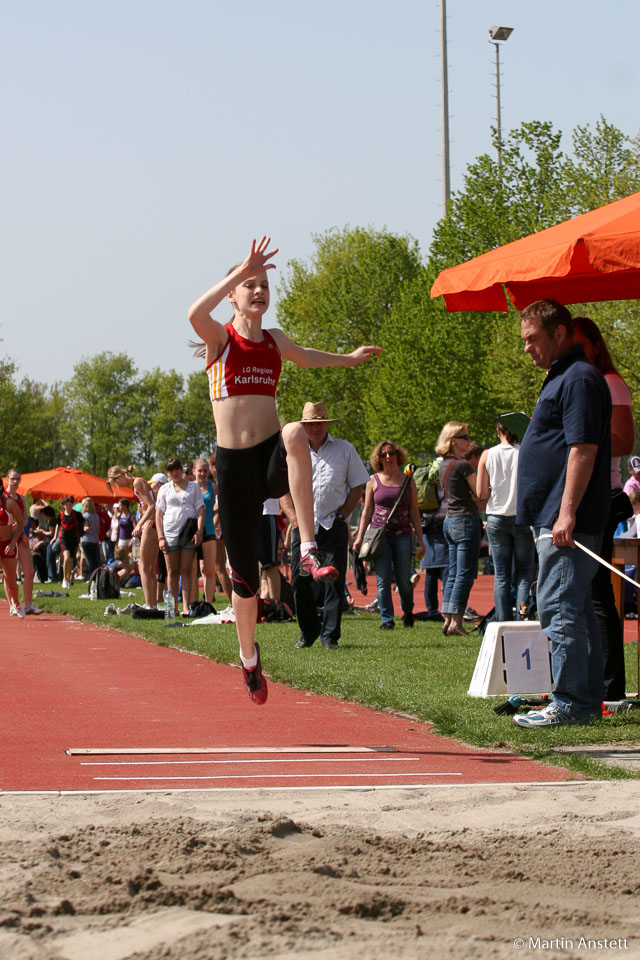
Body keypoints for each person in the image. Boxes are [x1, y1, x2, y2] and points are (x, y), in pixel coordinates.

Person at [188, 236, 381, 703]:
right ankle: (250, 659)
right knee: (246, 581)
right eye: (249, 285)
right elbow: (194, 313)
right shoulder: (220, 340)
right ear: (233, 293)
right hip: (234, 467)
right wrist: (237, 272)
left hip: (270, 454)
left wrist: (349, 359)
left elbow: (309, 357)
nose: (258, 291)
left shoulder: (274, 341)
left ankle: (309, 547)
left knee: (296, 431)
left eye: (264, 285)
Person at [513, 299, 611, 729]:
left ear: (559, 333)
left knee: (558, 605)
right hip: (554, 515)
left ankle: (570, 702)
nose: (527, 348)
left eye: (532, 339)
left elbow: (583, 449)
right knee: (576, 608)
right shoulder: (564, 376)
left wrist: (566, 512)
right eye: (524, 341)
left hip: (566, 518)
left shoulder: (580, 378)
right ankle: (584, 700)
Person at [573, 315, 635, 700]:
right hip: (583, 495)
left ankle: (610, 687)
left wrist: (579, 434)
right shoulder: (581, 382)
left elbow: (625, 440)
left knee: (597, 595)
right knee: (582, 595)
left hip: (602, 495)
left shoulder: (610, 383)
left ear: (596, 345)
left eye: (581, 345)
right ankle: (595, 681)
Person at [284, 401, 369, 649]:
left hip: (333, 523)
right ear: (303, 426)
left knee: (334, 581)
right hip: (303, 526)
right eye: (310, 424)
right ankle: (308, 631)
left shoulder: (344, 449)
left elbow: (357, 487)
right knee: (300, 582)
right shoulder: (292, 451)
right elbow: (282, 490)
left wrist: (344, 515)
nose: (315, 428)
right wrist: (294, 517)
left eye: (320, 423)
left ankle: (330, 636)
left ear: (327, 424)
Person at [353, 441, 424, 630]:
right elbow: (367, 511)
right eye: (383, 454)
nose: (388, 457)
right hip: (379, 536)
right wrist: (360, 537)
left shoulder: (408, 481)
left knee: (404, 581)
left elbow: (415, 512)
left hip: (403, 536)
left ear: (397, 455)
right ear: (379, 457)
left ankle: (408, 611)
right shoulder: (373, 480)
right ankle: (387, 620)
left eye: (391, 453)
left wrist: (421, 540)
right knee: (382, 580)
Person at [476, 421, 535, 622]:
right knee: (524, 575)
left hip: (496, 516)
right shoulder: (526, 453)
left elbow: (481, 493)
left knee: (501, 575)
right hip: (521, 516)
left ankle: (501, 621)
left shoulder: (487, 454)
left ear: (498, 431)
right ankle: (522, 616)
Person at [435, 422, 481, 636]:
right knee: (464, 573)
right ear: (453, 440)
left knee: (453, 572)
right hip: (465, 520)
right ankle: (456, 622)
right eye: (464, 436)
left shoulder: (443, 464)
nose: (468, 440)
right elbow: (481, 492)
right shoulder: (463, 466)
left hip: (449, 521)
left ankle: (448, 618)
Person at [155, 458, 205, 616]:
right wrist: (160, 536)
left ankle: (186, 606)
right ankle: (173, 607)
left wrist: (199, 531)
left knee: (186, 570)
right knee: (171, 570)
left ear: (181, 470)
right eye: (170, 470)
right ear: (167, 472)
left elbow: (201, 510)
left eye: (176, 469)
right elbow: (158, 513)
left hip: (188, 531)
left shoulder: (193, 487)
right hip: (170, 532)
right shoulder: (164, 489)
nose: (174, 473)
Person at [4, 468, 43, 614]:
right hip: (6, 539)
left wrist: (22, 531)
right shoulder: (3, 498)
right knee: (9, 574)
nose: (15, 482)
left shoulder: (21, 498)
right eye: (13, 479)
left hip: (21, 537)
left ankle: (28, 604)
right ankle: (13, 605)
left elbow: (26, 519)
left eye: (18, 479)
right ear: (7, 479)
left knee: (29, 570)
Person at [208, 452, 233, 609]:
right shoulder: (217, 484)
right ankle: (236, 603)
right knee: (220, 568)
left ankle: (234, 604)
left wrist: (215, 522)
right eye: (214, 466)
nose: (215, 469)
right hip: (222, 527)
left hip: (223, 528)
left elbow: (222, 506)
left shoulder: (224, 483)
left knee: (220, 567)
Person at [193, 458, 218, 605]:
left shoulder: (213, 487)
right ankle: (192, 603)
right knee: (191, 571)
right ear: (194, 471)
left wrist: (217, 518)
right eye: (200, 470)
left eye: (205, 470)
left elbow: (224, 502)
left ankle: (208, 604)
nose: (202, 473)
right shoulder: (189, 487)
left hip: (209, 530)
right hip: (192, 532)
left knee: (208, 570)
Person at [0, 478, 25, 617]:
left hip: (7, 543)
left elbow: (21, 524)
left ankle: (16, 603)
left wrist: (12, 543)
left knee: (10, 579)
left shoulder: (9, 503)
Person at [54, 496, 82, 589]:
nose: (69, 507)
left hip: (74, 539)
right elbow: (58, 525)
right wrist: (55, 537)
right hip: (64, 538)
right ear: (63, 506)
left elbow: (83, 522)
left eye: (70, 505)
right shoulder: (61, 515)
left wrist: (85, 527)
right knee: (66, 558)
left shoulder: (76, 514)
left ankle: (69, 579)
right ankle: (64, 579)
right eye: (67, 505)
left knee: (70, 560)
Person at [80, 497, 101, 581]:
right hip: (95, 539)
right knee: (96, 560)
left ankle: (91, 577)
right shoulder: (96, 516)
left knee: (89, 560)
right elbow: (98, 528)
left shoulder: (85, 516)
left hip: (87, 539)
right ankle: (97, 576)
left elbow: (85, 528)